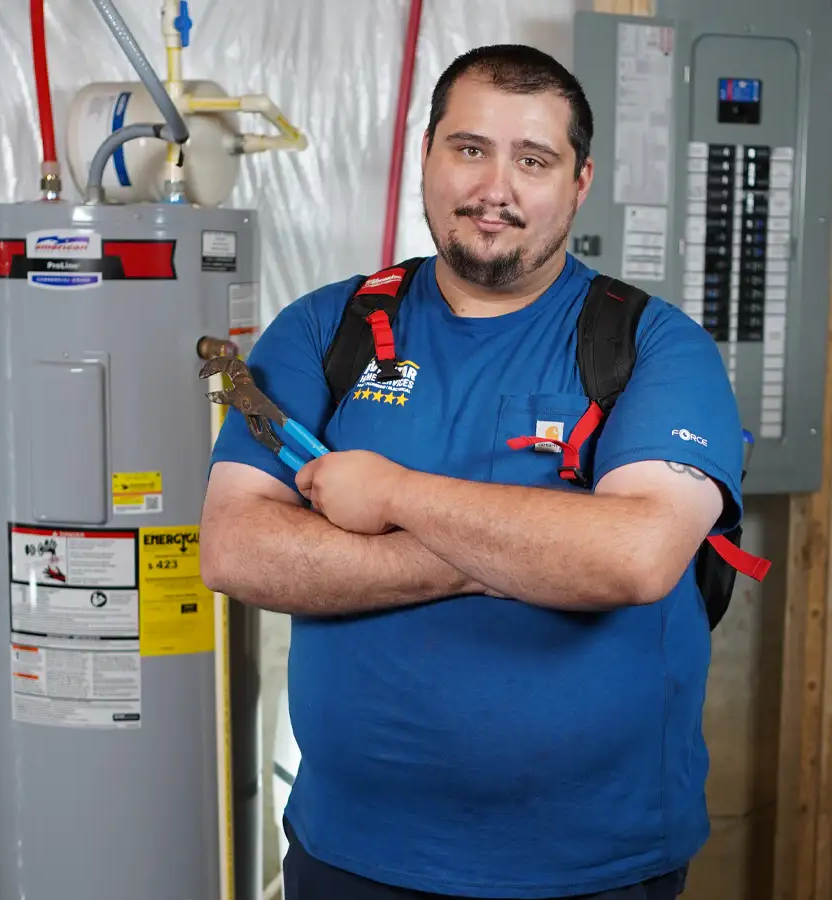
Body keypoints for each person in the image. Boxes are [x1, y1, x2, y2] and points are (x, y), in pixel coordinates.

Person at [200, 43, 743, 900]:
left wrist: (392, 496)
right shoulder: (323, 329)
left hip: (593, 866)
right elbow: (237, 550)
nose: (496, 188)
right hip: (349, 855)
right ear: (427, 156)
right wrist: (517, 555)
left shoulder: (652, 345)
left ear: (579, 181)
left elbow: (632, 558)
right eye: (470, 149)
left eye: (533, 160)